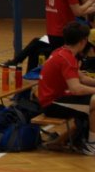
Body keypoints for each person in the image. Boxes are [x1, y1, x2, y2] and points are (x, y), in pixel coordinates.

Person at [37, 20, 95, 155]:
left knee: (90, 102)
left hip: (54, 99)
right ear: (83, 41)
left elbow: (82, 78)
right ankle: (92, 146)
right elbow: (76, 89)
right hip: (52, 104)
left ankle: (59, 141)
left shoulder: (62, 52)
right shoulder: (67, 59)